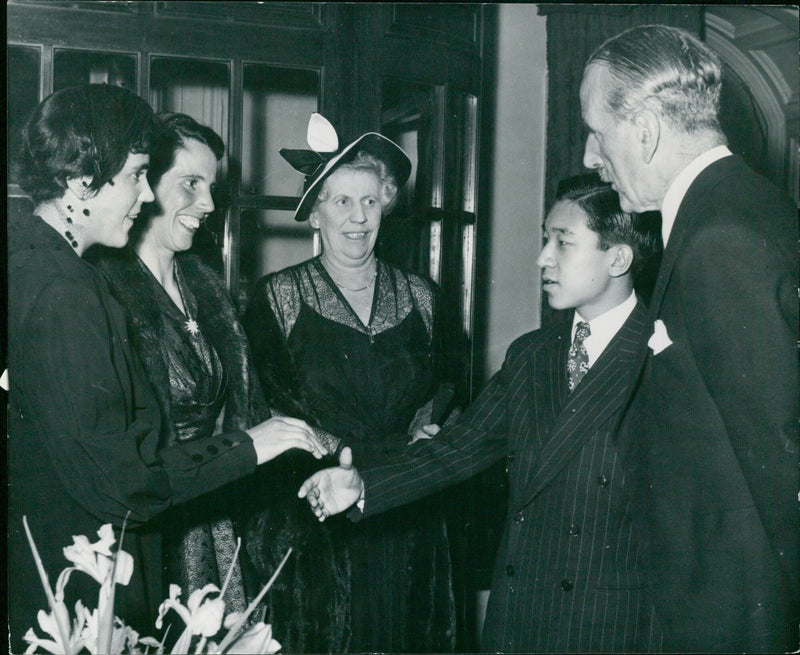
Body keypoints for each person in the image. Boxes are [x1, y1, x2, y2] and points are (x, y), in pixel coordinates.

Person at [7, 85, 324, 651]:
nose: (144, 193)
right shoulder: (69, 292)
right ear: (83, 180)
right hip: (86, 587)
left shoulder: (28, 259)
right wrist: (248, 446)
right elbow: (127, 482)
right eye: (135, 174)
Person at [299, 178, 663, 652]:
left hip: (609, 625)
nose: (542, 258)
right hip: (520, 619)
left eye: (562, 243)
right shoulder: (532, 353)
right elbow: (458, 448)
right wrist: (365, 486)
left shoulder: (663, 356)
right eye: (543, 239)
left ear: (618, 259)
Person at [577, 25, 799, 652]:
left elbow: (780, 462)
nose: (592, 157)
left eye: (597, 131)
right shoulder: (744, 207)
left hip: (737, 615)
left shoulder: (719, 241)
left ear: (644, 130)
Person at [240, 113, 456, 653]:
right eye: (341, 202)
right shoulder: (277, 298)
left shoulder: (424, 296)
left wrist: (436, 431)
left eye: (369, 202)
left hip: (408, 512)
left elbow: (453, 389)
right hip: (315, 523)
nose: (358, 218)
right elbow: (264, 407)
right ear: (316, 214)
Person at [92, 112, 269, 616]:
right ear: (143, 185)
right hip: (150, 531)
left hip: (217, 519)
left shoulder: (208, 287)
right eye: (190, 183)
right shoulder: (102, 291)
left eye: (211, 187)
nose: (209, 204)